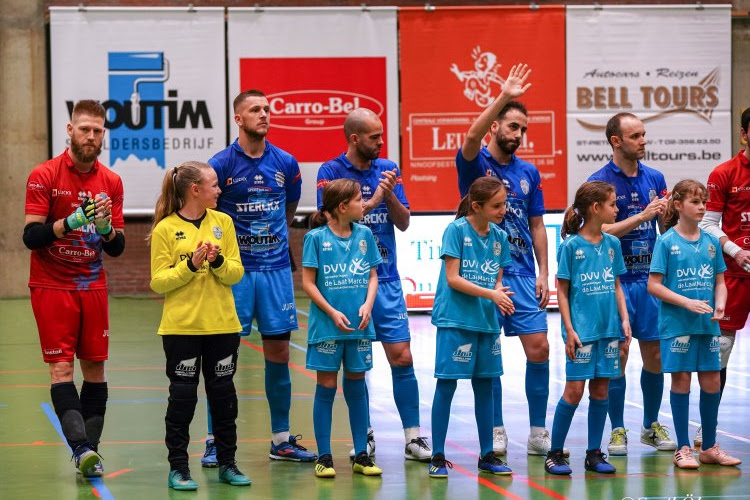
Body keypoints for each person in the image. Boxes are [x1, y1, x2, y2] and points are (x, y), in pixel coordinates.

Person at [205, 89, 316, 465]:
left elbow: (289, 206)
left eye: (267, 109)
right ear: (238, 118)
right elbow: (209, 214)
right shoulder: (220, 164)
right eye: (255, 110)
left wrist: (272, 239)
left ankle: (281, 440)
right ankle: (214, 441)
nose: (264, 115)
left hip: (275, 272)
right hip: (234, 274)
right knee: (223, 359)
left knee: (279, 354)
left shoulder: (285, 161)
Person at [316, 108, 431, 461]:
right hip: (347, 282)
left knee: (402, 355)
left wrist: (392, 195)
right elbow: (329, 219)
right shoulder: (330, 171)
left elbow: (405, 223)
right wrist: (375, 199)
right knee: (356, 365)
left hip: (387, 279)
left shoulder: (388, 170)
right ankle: (362, 435)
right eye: (374, 137)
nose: (381, 142)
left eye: (382, 135)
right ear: (354, 138)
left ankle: (413, 437)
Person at [23, 99, 125, 477]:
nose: (92, 136)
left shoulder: (111, 182)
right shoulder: (44, 174)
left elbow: (117, 248)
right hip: (52, 284)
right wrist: (69, 223)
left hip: (93, 284)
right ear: (70, 131)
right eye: (85, 129)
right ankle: (81, 449)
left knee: (95, 368)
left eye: (98, 131)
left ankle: (89, 452)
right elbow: (31, 236)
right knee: (62, 368)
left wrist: (104, 229)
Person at [456, 64, 554, 456]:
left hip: (522, 273)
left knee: (540, 348)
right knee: (490, 353)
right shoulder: (476, 164)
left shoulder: (529, 171)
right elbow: (469, 136)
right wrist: (502, 95)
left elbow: (537, 225)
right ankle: (495, 429)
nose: (519, 135)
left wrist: (544, 271)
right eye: (512, 126)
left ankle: (537, 431)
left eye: (523, 129)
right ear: (495, 127)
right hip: (482, 274)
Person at [149, 161, 250, 490]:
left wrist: (217, 260)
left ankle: (227, 464)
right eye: (214, 185)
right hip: (182, 330)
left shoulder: (224, 223)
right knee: (182, 398)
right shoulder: (166, 228)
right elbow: (158, 283)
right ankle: (178, 468)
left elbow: (236, 272)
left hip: (222, 327)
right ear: (195, 190)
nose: (219, 190)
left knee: (224, 398)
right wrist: (190, 266)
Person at [587, 113, 677, 455]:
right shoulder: (598, 182)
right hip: (617, 283)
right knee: (619, 354)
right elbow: (597, 231)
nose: (643, 140)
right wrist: (641, 216)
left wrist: (669, 215)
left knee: (654, 354)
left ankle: (651, 425)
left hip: (650, 281)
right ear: (616, 141)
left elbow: (665, 230)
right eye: (635, 135)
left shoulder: (655, 177)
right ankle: (617, 429)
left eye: (643, 134)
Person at [647, 179, 741, 469]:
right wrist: (686, 302)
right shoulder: (666, 242)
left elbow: (720, 282)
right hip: (677, 325)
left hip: (707, 325)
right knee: (682, 380)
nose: (702, 208)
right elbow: (654, 285)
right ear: (678, 205)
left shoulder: (712, 242)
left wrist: (721, 303)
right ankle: (683, 448)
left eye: (704, 202)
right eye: (695, 202)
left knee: (712, 380)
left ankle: (709, 446)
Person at [428, 177, 515, 478]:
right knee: (447, 385)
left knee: (486, 387)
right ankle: (437, 455)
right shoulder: (455, 231)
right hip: (455, 320)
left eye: (504, 203)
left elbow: (497, 277)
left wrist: (500, 294)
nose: (503, 209)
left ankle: (487, 454)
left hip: (486, 321)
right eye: (497, 205)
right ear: (476, 206)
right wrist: (491, 293)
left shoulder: (500, 237)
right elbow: (452, 278)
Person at [545, 181, 631, 476]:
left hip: (608, 330)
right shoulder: (571, 247)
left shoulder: (613, 245)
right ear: (596, 208)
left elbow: (617, 285)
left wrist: (624, 320)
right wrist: (569, 329)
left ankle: (594, 453)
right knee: (574, 391)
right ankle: (555, 453)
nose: (617, 209)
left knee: (601, 389)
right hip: (581, 332)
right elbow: (563, 292)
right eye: (612, 204)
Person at [302, 179, 383, 478]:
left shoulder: (365, 235)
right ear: (342, 207)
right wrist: (332, 311)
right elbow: (308, 283)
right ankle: (324, 457)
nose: (365, 204)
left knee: (357, 386)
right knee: (326, 386)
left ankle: (362, 454)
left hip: (359, 326)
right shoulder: (315, 238)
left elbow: (373, 276)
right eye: (360, 200)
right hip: (328, 326)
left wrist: (368, 304)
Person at [697, 107, 750, 448]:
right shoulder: (725, 173)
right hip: (733, 274)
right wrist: (735, 251)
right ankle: (708, 430)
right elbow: (707, 223)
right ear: (745, 134)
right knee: (720, 355)